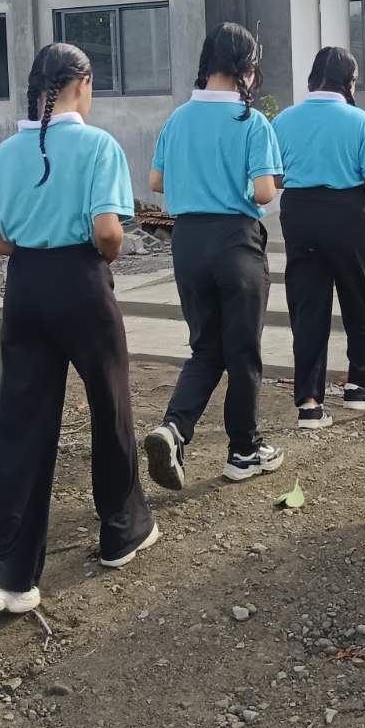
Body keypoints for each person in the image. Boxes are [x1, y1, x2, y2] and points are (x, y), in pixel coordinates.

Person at [0, 43, 157, 617]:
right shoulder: (98, 145)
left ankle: (4, 574)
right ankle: (121, 529)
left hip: (25, 287)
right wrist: (111, 250)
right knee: (110, 406)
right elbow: (107, 231)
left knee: (22, 425)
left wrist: (25, 246)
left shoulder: (7, 151)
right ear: (83, 84)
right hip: (81, 283)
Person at [142, 24, 285, 488]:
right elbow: (264, 189)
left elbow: (156, 182)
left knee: (206, 348)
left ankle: (174, 429)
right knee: (242, 351)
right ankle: (243, 450)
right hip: (235, 242)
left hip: (187, 243)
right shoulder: (251, 122)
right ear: (247, 68)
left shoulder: (178, 118)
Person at [271, 47, 365, 429]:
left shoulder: (285, 120)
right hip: (347, 214)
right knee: (360, 300)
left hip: (299, 214)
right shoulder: (360, 121)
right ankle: (359, 385)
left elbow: (274, 180)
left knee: (308, 309)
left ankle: (309, 403)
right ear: (349, 82)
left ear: (312, 78)